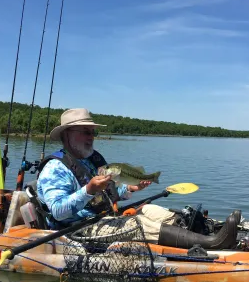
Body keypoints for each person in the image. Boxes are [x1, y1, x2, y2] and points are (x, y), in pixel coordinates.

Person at [36, 107, 238, 249]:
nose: (92, 137)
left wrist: (132, 189)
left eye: (93, 132)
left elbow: (110, 193)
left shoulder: (92, 161)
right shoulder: (55, 168)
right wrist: (88, 190)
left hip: (104, 217)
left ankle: (205, 231)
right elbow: (58, 211)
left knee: (150, 209)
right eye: (85, 132)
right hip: (77, 229)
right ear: (67, 135)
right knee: (137, 225)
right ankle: (214, 243)